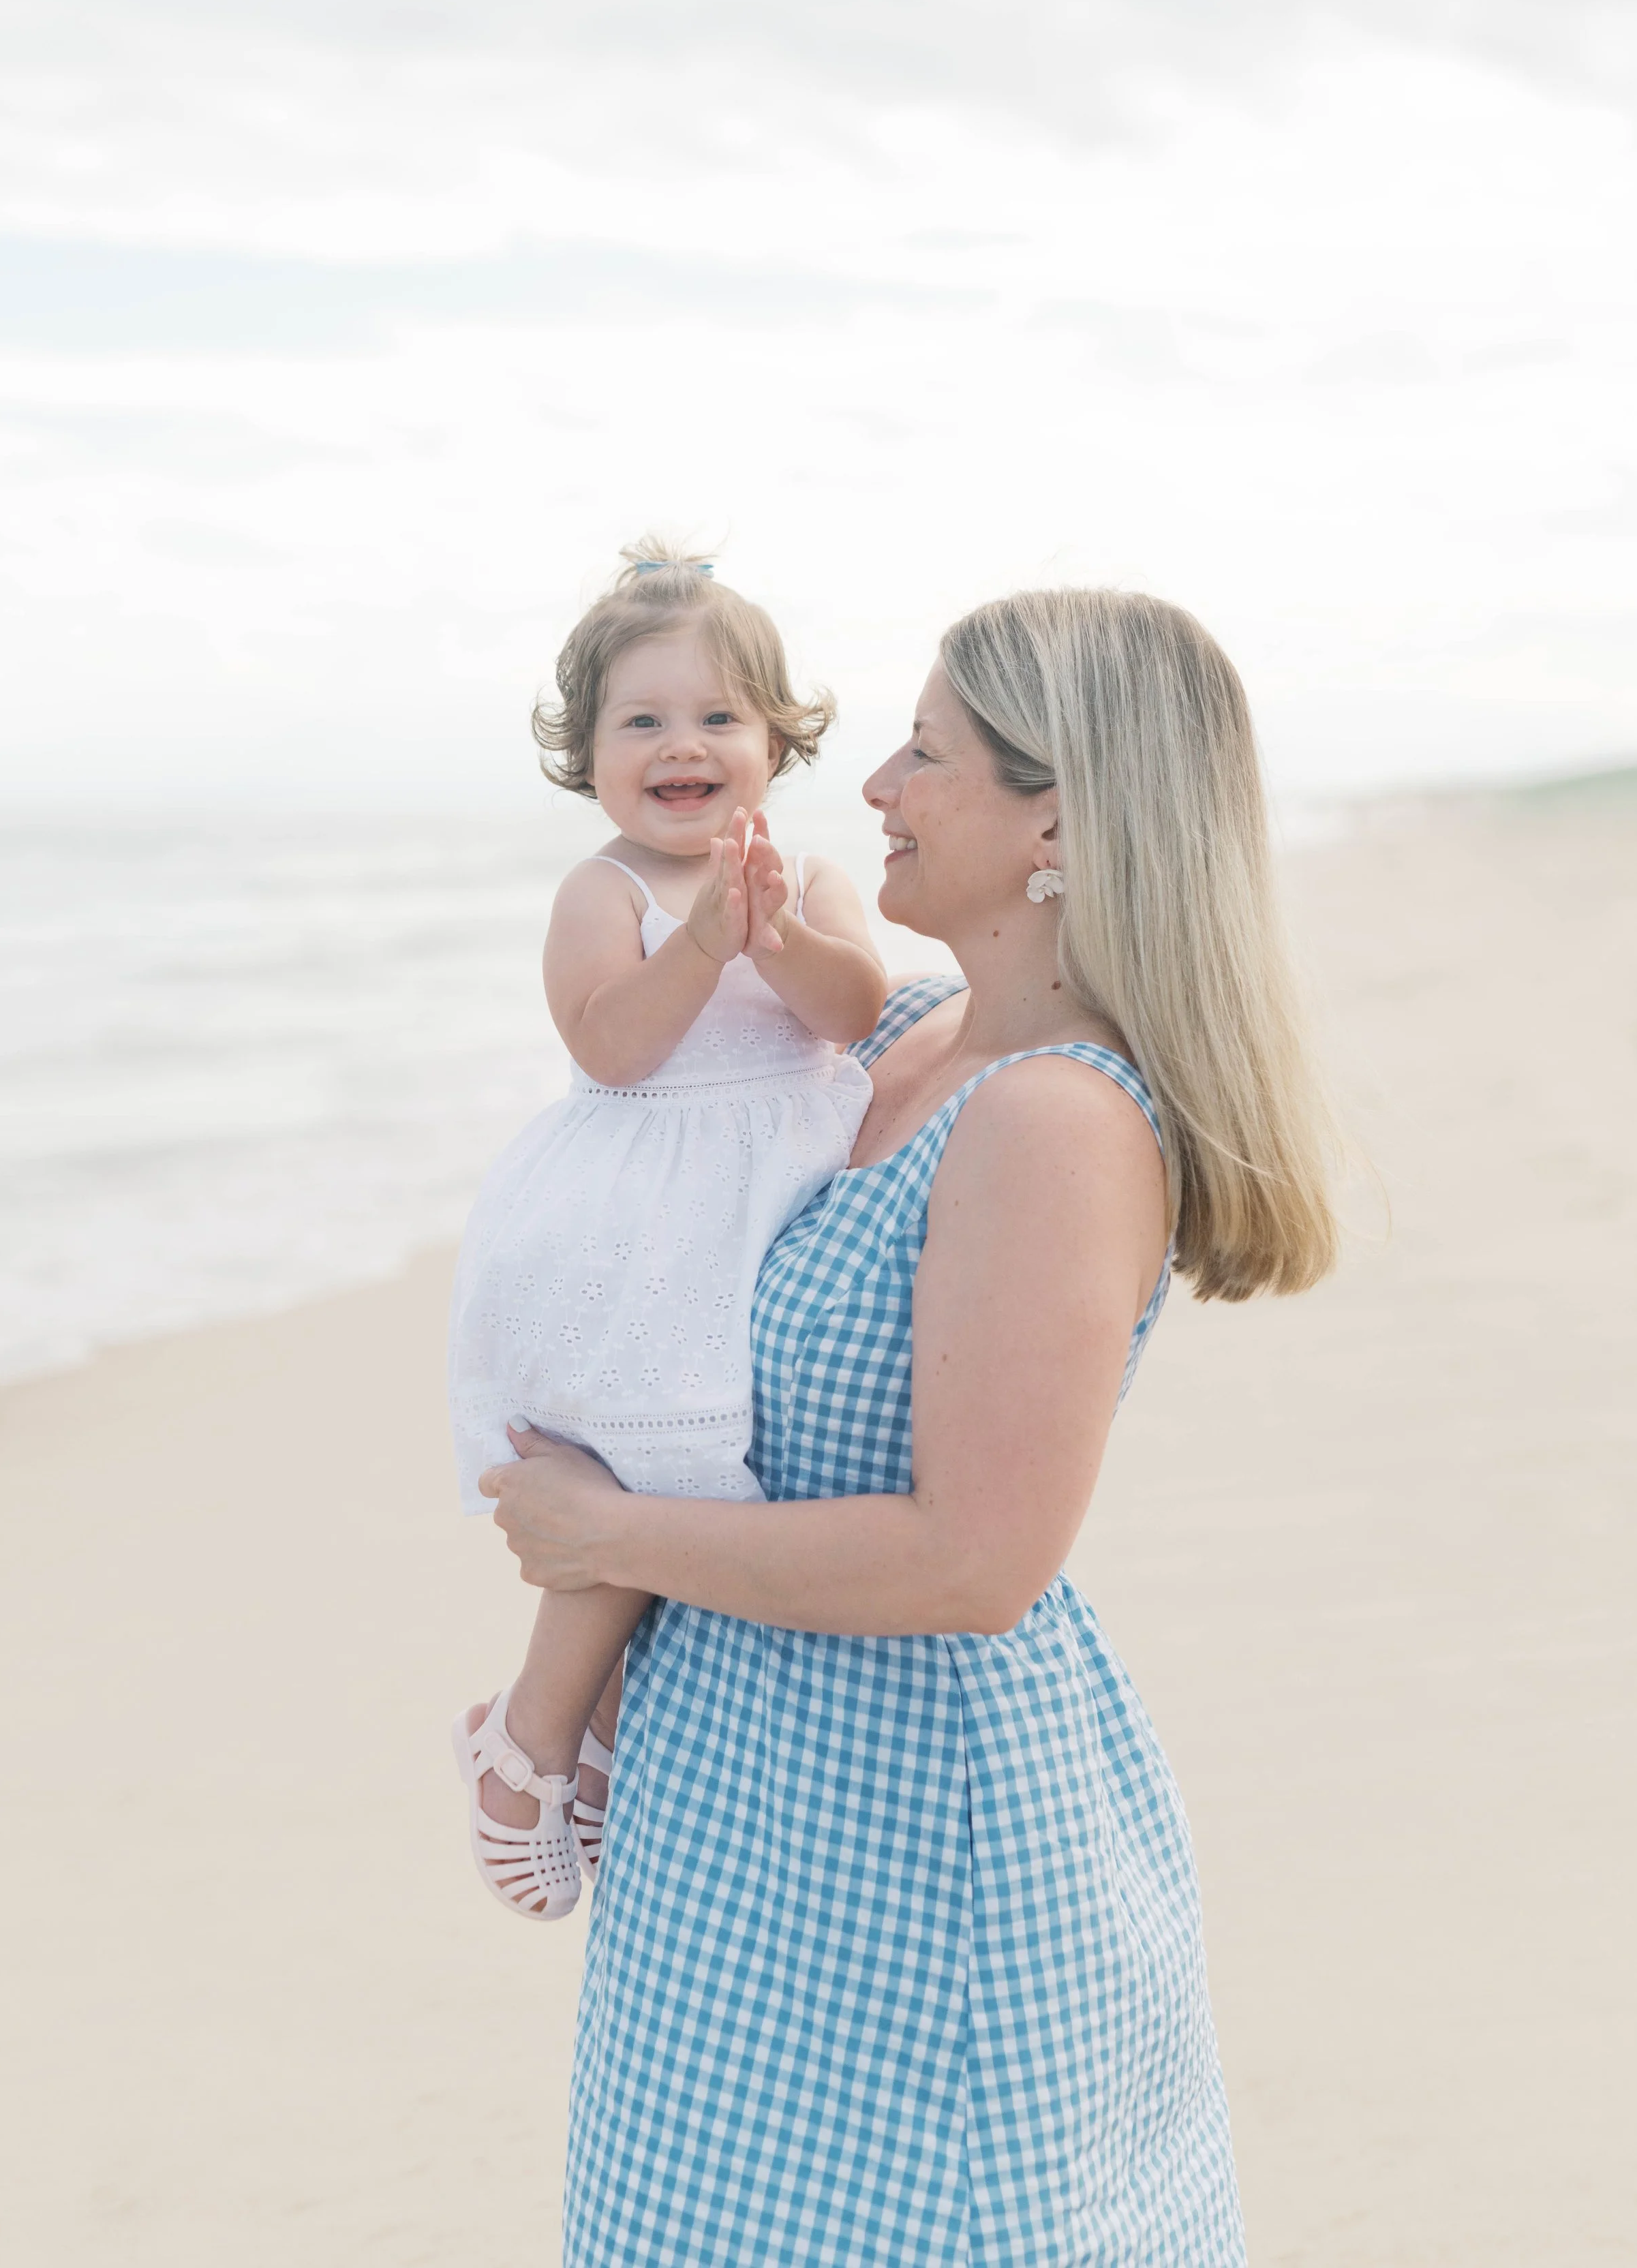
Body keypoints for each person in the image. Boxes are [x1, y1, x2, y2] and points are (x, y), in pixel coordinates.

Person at [486, 586, 1338, 2263]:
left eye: (926, 755)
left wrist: (606, 1535)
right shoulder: (884, 1032)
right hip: (728, 1806)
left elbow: (974, 1560)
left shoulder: (1052, 1123)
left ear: (1055, 825)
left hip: (904, 1834)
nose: (870, 784)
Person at [447, 540, 886, 1920]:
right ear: (586, 754)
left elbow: (853, 1012)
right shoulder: (604, 893)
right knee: (647, 1464)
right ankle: (524, 1736)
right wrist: (703, 944)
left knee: (710, 1473)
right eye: (641, 720)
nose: (681, 745)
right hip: (641, 1226)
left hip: (765, 1205)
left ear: (776, 742)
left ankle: (600, 1731)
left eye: (716, 716)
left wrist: (775, 934)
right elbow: (612, 1046)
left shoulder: (806, 878)